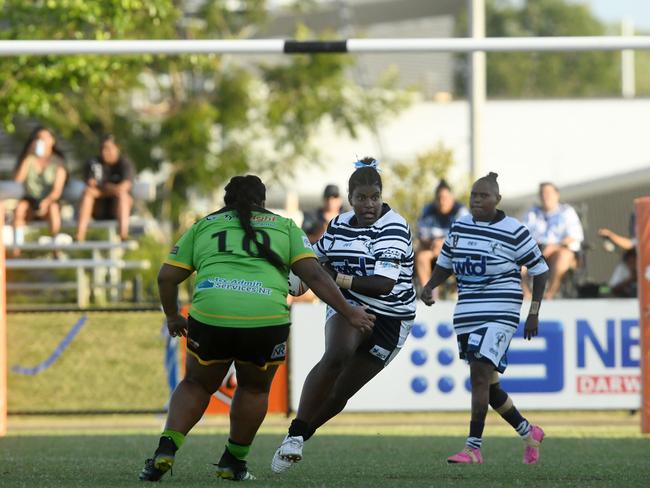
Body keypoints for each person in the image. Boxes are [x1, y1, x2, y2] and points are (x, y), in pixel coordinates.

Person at [138, 175, 374, 482]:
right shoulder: (286, 227)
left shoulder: (204, 226)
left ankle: (166, 448)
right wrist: (349, 311)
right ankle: (233, 461)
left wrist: (172, 317)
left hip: (212, 315)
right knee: (254, 388)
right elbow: (314, 277)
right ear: (263, 202)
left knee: (196, 384)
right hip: (265, 319)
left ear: (226, 202)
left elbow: (166, 278)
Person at [271, 157, 417, 474]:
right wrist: (295, 273)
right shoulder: (338, 224)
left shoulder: (394, 226)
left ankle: (296, 437)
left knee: (341, 393)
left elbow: (383, 284)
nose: (369, 204)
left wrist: (332, 278)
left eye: (374, 197)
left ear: (382, 196)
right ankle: (295, 435)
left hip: (392, 318)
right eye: (361, 198)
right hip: (350, 305)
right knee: (336, 355)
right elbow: (314, 256)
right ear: (350, 199)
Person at [420, 172, 549, 465]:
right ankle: (529, 432)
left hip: (500, 311)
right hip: (467, 313)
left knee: (478, 373)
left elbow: (540, 270)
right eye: (473, 195)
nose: (477, 200)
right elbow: (445, 264)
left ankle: (473, 448)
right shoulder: (460, 227)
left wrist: (534, 312)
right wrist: (430, 286)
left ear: (497, 200)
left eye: (484, 196)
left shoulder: (514, 230)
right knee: (489, 388)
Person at [12, 126, 67, 257]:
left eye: (44, 138)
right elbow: (17, 181)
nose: (40, 141)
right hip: (30, 199)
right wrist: (28, 156)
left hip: (50, 200)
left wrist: (46, 202)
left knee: (53, 209)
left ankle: (55, 249)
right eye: (38, 138)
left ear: (52, 141)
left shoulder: (58, 163)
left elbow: (57, 190)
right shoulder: (29, 159)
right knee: (20, 209)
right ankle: (17, 249)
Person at [522, 182, 583, 299]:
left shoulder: (566, 212)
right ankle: (527, 296)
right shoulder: (532, 213)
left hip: (558, 250)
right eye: (542, 193)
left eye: (548, 192)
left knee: (563, 257)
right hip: (535, 250)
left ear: (557, 195)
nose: (545, 196)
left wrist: (552, 248)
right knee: (517, 261)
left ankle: (549, 295)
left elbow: (573, 236)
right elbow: (522, 234)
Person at [75, 134, 134, 242]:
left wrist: (103, 188)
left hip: (117, 209)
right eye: (102, 148)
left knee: (123, 196)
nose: (105, 152)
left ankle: (123, 235)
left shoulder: (125, 163)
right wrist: (111, 189)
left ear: (117, 148)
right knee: (88, 193)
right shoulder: (94, 163)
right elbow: (91, 185)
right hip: (99, 209)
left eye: (108, 148)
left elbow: (124, 187)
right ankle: (79, 236)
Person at [415, 179, 468, 288]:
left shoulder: (461, 212)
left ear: (452, 198)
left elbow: (466, 237)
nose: (442, 202)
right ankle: (429, 293)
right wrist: (433, 244)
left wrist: (445, 244)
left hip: (456, 252)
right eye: (439, 198)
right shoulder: (428, 211)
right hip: (432, 250)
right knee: (421, 256)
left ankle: (461, 293)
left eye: (445, 198)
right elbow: (421, 235)